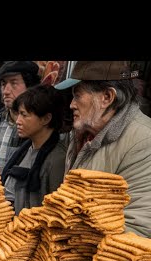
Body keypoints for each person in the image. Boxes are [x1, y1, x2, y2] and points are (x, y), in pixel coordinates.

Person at [55, 60, 151, 238]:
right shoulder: (82, 134)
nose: (71, 104)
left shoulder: (144, 141)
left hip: (104, 260)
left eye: (77, 96)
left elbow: (138, 227)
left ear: (107, 97)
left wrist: (74, 246)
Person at [0, 84, 67, 214]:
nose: (18, 121)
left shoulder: (57, 159)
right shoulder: (24, 151)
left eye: (24, 115)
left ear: (46, 118)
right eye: (18, 114)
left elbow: (55, 210)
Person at [0, 61, 40, 173]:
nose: (6, 91)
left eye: (14, 83)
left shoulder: (38, 124)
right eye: (3, 84)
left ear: (30, 86)